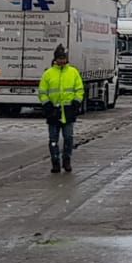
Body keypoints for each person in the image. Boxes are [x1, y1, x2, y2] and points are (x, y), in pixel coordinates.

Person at [38, 44, 84, 174]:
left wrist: (76, 102)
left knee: (68, 138)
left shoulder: (73, 72)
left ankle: (67, 159)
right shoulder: (48, 74)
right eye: (59, 58)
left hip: (68, 111)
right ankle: (55, 162)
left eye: (63, 58)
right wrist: (47, 105)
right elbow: (42, 91)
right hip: (53, 111)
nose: (62, 61)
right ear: (55, 59)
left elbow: (79, 89)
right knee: (53, 139)